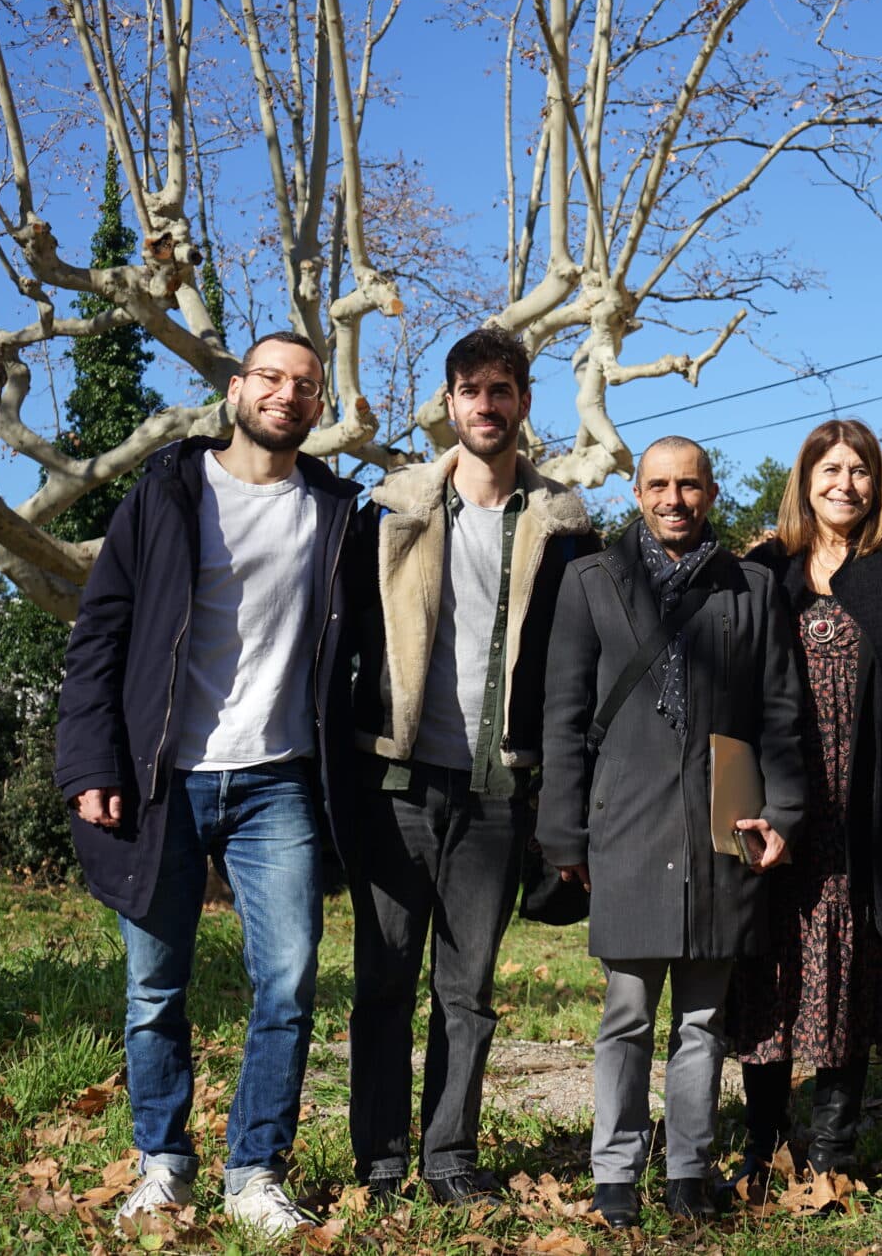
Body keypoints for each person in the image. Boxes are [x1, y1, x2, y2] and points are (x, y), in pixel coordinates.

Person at [55, 331, 362, 1235]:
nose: (287, 394)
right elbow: (98, 638)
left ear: (317, 405)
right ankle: (165, 1163)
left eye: (306, 384)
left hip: (278, 782)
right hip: (163, 780)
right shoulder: (165, 495)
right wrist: (89, 762)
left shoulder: (338, 511)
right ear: (237, 389)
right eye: (271, 377)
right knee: (155, 985)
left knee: (291, 980)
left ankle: (255, 1170)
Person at [344, 328, 598, 1205]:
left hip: (498, 791)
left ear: (525, 401)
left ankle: (449, 1156)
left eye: (501, 389)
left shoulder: (565, 528)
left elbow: (581, 672)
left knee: (469, 991)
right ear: (447, 403)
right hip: (399, 783)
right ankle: (378, 1159)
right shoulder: (390, 510)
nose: (486, 405)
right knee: (384, 981)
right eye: (470, 390)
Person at [539, 436, 808, 1229]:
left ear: (712, 492)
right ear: (634, 490)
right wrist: (564, 836)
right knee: (626, 1014)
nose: (673, 499)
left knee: (703, 1021)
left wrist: (783, 815)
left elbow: (784, 714)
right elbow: (563, 717)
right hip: (623, 828)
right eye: (658, 484)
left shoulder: (752, 588)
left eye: (688, 485)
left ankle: (689, 1169)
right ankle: (614, 1171)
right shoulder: (590, 581)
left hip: (720, 834)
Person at [728, 420, 882, 1186]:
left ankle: (833, 1145)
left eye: (859, 470)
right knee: (772, 965)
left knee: (853, 964)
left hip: (868, 804)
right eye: (829, 469)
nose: (845, 484)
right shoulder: (765, 568)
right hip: (778, 805)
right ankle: (765, 1140)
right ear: (804, 479)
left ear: (876, 483)